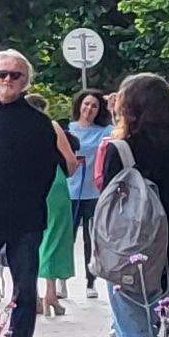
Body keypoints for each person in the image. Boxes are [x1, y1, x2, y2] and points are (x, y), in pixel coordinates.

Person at [0, 53, 74, 337]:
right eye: (2, 74)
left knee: (24, 290)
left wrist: (31, 198)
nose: (8, 80)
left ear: (26, 81)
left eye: (15, 75)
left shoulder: (40, 124)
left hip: (26, 220)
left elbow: (54, 168)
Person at [93, 72, 169, 337]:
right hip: (167, 250)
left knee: (133, 330)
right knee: (149, 327)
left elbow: (106, 207)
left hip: (127, 252)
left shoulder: (120, 150)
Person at [67, 90, 115, 292]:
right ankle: (60, 280)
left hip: (94, 193)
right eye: (86, 104)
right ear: (79, 105)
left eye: (94, 106)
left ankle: (90, 281)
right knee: (67, 237)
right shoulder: (67, 129)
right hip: (70, 191)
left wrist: (113, 109)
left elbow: (118, 132)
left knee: (92, 239)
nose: (89, 109)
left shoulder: (103, 131)